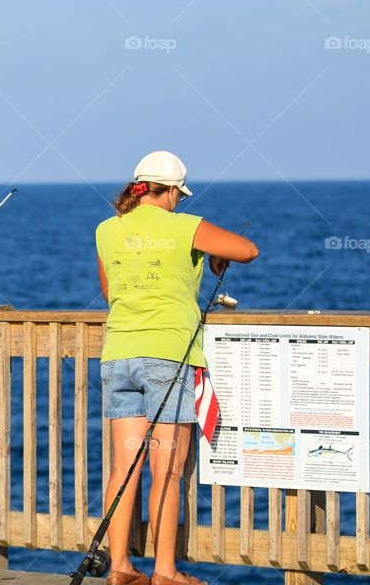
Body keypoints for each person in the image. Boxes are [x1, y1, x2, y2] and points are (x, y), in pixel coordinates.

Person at [95, 151, 258, 585]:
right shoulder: (185, 226)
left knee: (123, 466)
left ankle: (120, 568)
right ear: (168, 192)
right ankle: (164, 572)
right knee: (166, 468)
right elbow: (247, 249)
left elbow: (110, 288)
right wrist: (208, 252)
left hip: (119, 356)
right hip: (168, 355)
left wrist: (201, 256)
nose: (178, 203)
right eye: (177, 196)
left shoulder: (107, 230)